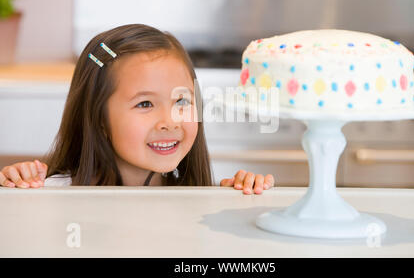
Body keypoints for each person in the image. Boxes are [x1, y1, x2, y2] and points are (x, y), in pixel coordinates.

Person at [0, 24, 274, 195]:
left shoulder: (198, 199)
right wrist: (17, 188)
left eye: (181, 101)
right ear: (99, 119)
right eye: (145, 104)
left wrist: (243, 195)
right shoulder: (53, 195)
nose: (169, 122)